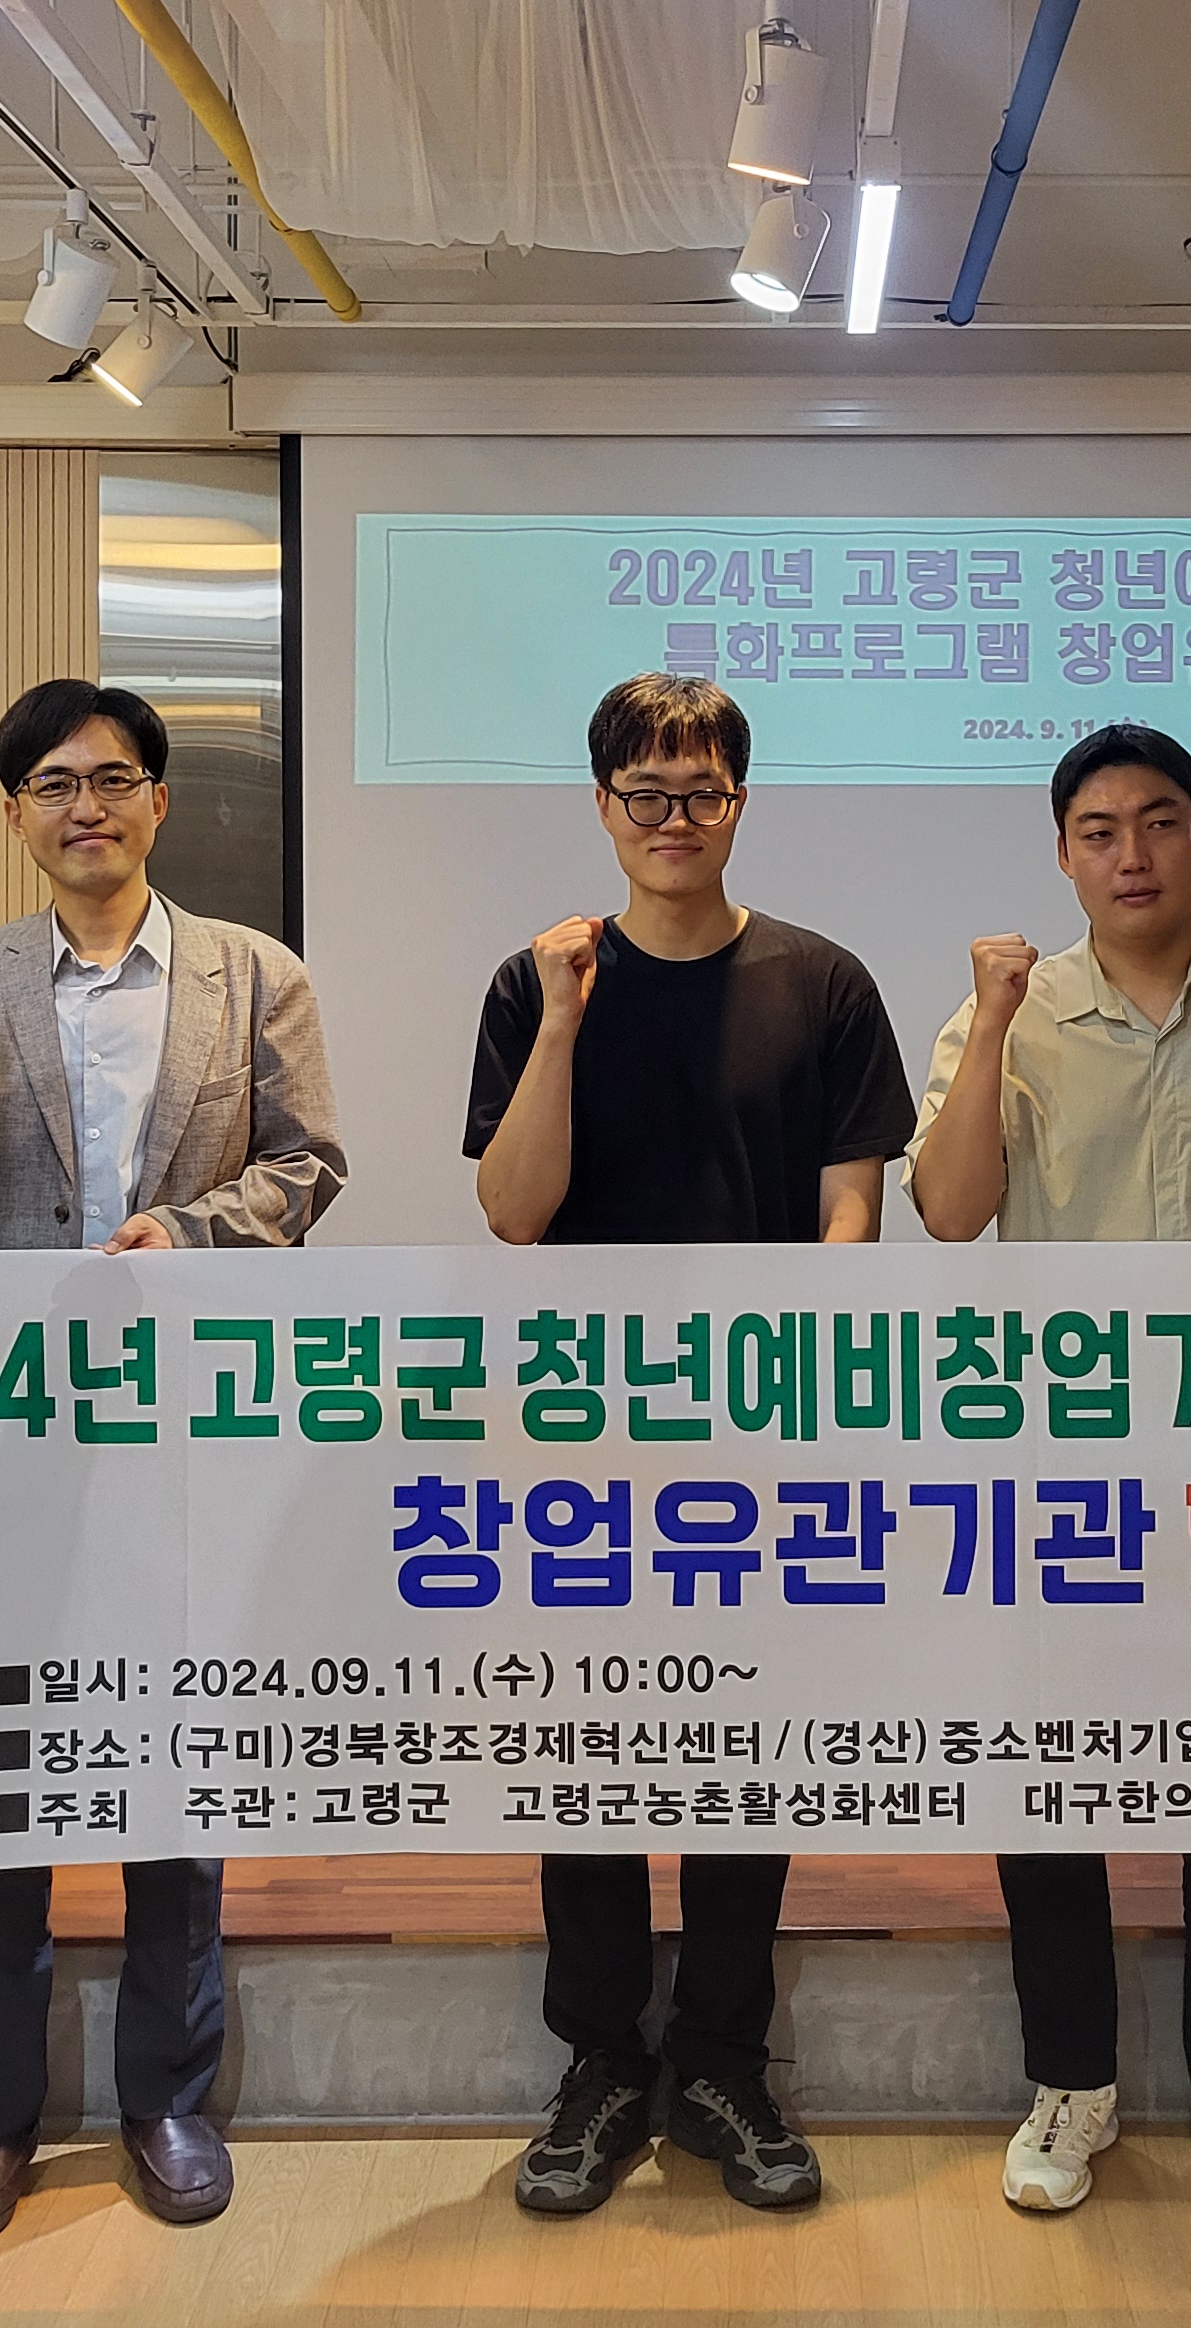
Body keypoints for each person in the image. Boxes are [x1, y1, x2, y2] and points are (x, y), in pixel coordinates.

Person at [0, 678, 346, 2248]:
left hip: (187, 1425)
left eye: (116, 779)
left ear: (158, 802)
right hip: (8, 1428)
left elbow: (307, 1165)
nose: (89, 806)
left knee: (174, 1768)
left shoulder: (252, 972)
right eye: (56, 785)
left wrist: (192, 1234)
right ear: (17, 812)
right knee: (2, 1773)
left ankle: (167, 2098)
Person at [464, 672, 914, 2218]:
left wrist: (799, 1367)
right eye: (645, 794)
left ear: (739, 801)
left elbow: (853, 1210)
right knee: (588, 1749)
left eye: (701, 792)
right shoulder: (538, 982)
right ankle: (600, 2059)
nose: (674, 819)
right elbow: (514, 1210)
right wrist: (564, 1022)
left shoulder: (824, 981)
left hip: (764, 1433)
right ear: (603, 807)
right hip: (582, 1434)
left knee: (747, 1749)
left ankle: (722, 2057)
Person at [911, 723, 1191, 2222]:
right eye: (1099, 831)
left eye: (1160, 822)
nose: (1132, 854)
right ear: (1063, 855)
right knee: (1047, 1775)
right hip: (1052, 1465)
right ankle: (1072, 2082)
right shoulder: (1007, 1014)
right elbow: (949, 1213)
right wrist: (992, 1024)